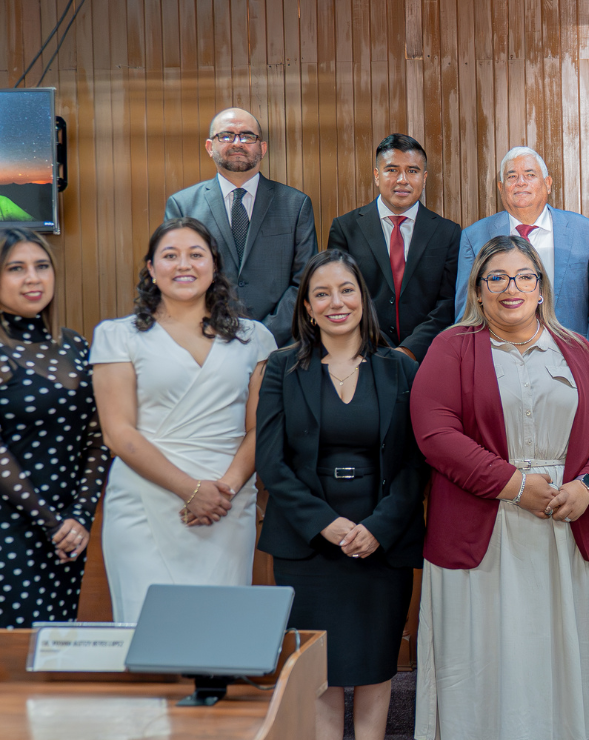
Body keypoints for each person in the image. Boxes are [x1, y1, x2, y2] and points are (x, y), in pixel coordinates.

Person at [410, 235, 589, 739]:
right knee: (482, 657)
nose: (511, 287)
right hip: (482, 526)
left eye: (524, 276)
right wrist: (514, 484)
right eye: (496, 278)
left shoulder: (576, 349)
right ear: (478, 292)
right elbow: (435, 434)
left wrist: (588, 485)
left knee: (550, 654)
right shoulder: (451, 346)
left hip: (560, 525)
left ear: (542, 288)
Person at [256, 250, 426, 740]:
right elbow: (271, 461)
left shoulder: (399, 368)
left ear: (363, 297)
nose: (336, 302)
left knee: (376, 665)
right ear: (307, 307)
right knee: (320, 672)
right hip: (307, 542)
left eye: (346, 290)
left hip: (382, 541)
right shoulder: (282, 368)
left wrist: (378, 527)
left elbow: (416, 462)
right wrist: (324, 523)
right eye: (322, 293)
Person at [91, 217, 275, 622]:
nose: (183, 265)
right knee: (148, 633)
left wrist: (222, 490)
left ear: (214, 266)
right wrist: (191, 490)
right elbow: (118, 433)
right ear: (151, 269)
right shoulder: (116, 336)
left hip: (227, 504)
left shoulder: (255, 337)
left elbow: (259, 428)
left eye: (195, 254)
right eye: (170, 256)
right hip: (146, 502)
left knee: (218, 634)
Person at [0, 229, 109, 628]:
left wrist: (79, 516)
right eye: (16, 268)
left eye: (42, 266)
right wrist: (52, 523)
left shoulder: (75, 346)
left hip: (70, 530)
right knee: (12, 658)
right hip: (11, 526)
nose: (33, 278)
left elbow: (98, 439)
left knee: (53, 651)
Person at [164, 108, 318, 347]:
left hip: (280, 348)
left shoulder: (295, 205)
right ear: (209, 147)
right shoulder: (183, 206)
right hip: (205, 344)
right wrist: (216, 331)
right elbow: (177, 278)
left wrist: (263, 336)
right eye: (226, 136)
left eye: (247, 136)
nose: (237, 143)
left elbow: (304, 280)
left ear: (263, 148)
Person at [455, 146, 589, 361]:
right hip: (500, 362)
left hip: (572, 359)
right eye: (511, 176)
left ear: (548, 184)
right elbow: (466, 312)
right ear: (501, 187)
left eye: (529, 175)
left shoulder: (586, 232)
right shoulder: (474, 237)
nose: (520, 182)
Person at [327, 134, 463, 361]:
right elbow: (341, 295)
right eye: (392, 170)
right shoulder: (345, 229)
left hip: (427, 357)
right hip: (364, 354)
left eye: (412, 170)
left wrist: (409, 350)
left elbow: (448, 303)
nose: (403, 180)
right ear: (377, 175)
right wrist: (383, 349)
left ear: (424, 177)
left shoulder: (448, 233)